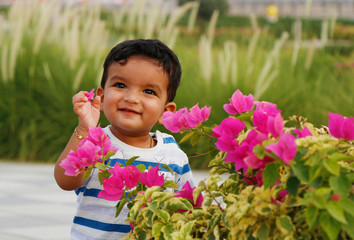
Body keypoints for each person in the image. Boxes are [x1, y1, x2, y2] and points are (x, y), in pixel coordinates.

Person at [54, 39, 195, 239]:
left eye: (149, 91)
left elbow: (188, 204)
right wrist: (84, 129)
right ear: (101, 96)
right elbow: (65, 181)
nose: (131, 98)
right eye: (120, 85)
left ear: (166, 111)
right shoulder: (95, 142)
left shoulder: (172, 153)